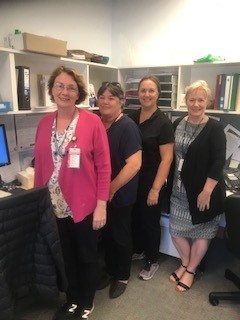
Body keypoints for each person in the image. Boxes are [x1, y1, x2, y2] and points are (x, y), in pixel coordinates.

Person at [34, 66, 111, 319]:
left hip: (84, 203)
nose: (64, 92)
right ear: (52, 90)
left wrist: (101, 205)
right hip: (53, 205)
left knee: (86, 255)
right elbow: (40, 165)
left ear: (78, 93)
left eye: (70, 87)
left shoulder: (92, 122)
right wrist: (38, 203)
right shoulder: (44, 123)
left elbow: (104, 167)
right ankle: (72, 299)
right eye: (59, 86)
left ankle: (86, 301)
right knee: (65, 256)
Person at [169, 80, 226, 292]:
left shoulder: (215, 127)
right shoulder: (177, 124)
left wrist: (207, 190)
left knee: (202, 232)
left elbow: (219, 161)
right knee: (176, 231)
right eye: (191, 99)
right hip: (178, 189)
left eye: (200, 99)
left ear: (207, 101)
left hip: (204, 192)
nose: (195, 104)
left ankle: (191, 270)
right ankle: (185, 261)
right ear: (185, 101)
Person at [97, 82, 142, 298]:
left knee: (120, 235)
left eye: (111, 98)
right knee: (106, 234)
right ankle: (110, 270)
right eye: (102, 96)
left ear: (121, 101)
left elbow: (134, 164)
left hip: (120, 192)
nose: (105, 101)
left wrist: (111, 189)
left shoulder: (127, 127)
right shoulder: (97, 123)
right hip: (101, 193)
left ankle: (122, 275)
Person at [129, 75, 174, 281]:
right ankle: (139, 249)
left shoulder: (163, 123)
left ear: (158, 94)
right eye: (143, 90)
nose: (146, 94)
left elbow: (167, 159)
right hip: (132, 177)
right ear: (137, 93)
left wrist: (156, 189)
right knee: (136, 217)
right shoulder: (131, 116)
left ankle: (152, 260)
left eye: (151, 91)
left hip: (151, 180)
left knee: (150, 221)